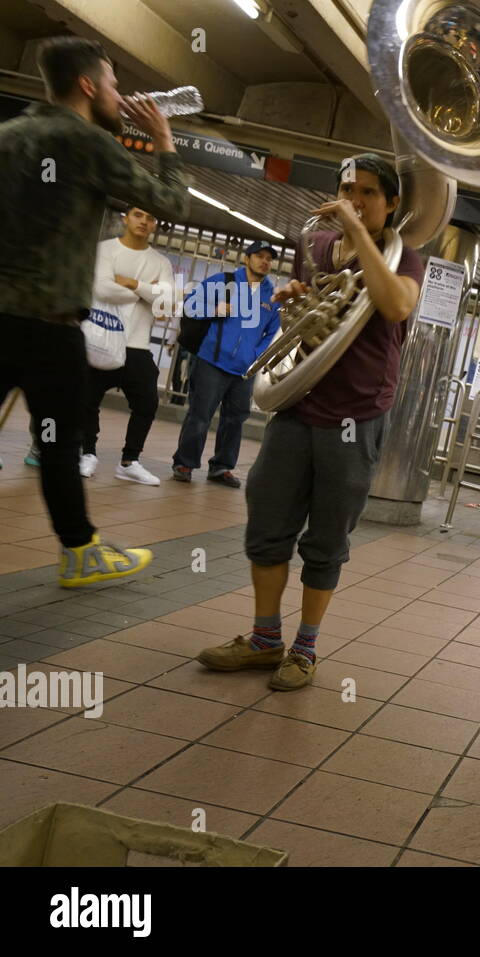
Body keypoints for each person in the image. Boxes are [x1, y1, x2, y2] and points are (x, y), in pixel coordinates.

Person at [195, 154, 423, 693]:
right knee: (267, 521)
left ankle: (304, 648)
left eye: (368, 193)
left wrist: (357, 236)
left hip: (356, 412)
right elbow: (313, 313)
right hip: (299, 400)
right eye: (347, 189)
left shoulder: (405, 257)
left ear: (391, 204)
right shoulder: (315, 246)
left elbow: (393, 306)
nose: (355, 199)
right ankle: (265, 637)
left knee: (326, 540)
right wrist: (296, 297)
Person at [0, 35, 189, 586]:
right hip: (49, 325)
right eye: (111, 83)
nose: (118, 94)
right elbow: (169, 201)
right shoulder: (83, 141)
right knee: (58, 443)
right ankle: (81, 552)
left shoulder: (7, 136)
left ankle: (82, 548)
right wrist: (163, 139)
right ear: (86, 85)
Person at [170, 240, 280, 487]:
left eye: (269, 258)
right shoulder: (224, 281)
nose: (264, 261)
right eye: (259, 256)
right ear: (247, 258)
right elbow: (191, 305)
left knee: (235, 419)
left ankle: (221, 467)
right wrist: (215, 308)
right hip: (211, 360)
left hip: (244, 369)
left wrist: (255, 356)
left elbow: (273, 333)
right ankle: (184, 462)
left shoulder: (272, 297)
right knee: (200, 415)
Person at [80, 206, 174, 484]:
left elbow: (167, 305)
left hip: (136, 346)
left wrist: (130, 282)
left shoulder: (161, 262)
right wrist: (147, 292)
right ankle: (87, 454)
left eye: (149, 218)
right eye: (137, 215)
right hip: (101, 340)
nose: (143, 222)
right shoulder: (106, 250)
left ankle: (129, 461)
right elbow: (102, 289)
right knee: (87, 400)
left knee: (147, 403)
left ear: (155, 225)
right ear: (125, 219)